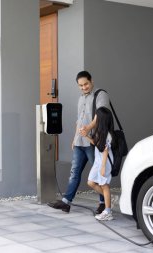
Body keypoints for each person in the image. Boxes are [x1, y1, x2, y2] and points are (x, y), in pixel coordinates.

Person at [47, 70, 110, 213]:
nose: (83, 87)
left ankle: (103, 203)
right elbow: (79, 120)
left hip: (94, 141)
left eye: (86, 84)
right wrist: (74, 138)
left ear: (91, 80)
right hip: (79, 142)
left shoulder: (101, 95)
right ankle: (66, 202)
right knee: (74, 172)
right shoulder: (81, 98)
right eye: (80, 85)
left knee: (98, 175)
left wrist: (88, 128)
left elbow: (101, 116)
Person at [83, 107, 115, 221]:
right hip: (99, 162)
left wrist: (102, 167)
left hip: (104, 163)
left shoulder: (108, 135)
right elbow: (97, 144)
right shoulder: (100, 132)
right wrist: (86, 136)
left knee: (104, 185)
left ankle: (108, 211)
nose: (94, 119)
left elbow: (105, 151)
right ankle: (109, 201)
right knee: (91, 182)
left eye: (96, 117)